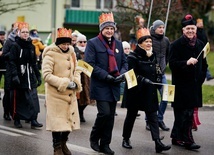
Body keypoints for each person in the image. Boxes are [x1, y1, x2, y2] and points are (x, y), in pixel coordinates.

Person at [121, 27, 171, 153]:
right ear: (140, 43)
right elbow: (131, 75)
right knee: (131, 116)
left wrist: (159, 77)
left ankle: (158, 142)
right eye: (146, 41)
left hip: (149, 91)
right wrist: (144, 80)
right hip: (135, 92)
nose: (149, 44)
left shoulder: (152, 55)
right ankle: (125, 139)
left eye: (150, 41)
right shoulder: (133, 56)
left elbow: (157, 68)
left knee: (153, 117)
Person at [84, 12, 128, 155]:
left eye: (111, 28)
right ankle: (94, 137)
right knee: (104, 113)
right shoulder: (92, 43)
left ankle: (105, 144)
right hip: (101, 84)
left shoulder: (119, 44)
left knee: (110, 117)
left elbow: (124, 62)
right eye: (106, 28)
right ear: (101, 29)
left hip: (114, 84)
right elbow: (90, 64)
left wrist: (121, 74)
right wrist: (107, 76)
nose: (109, 31)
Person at [169, 14, 208, 150]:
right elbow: (172, 64)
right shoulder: (176, 45)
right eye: (188, 29)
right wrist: (186, 62)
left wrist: (201, 78)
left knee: (188, 113)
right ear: (183, 30)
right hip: (181, 85)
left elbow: (205, 65)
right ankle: (187, 140)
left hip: (194, 85)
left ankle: (177, 136)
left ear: (196, 29)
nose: (190, 31)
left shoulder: (200, 44)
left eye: (192, 28)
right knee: (182, 113)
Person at [42, 27, 82, 155]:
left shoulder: (72, 53)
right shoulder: (50, 54)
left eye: (67, 43)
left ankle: (64, 143)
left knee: (68, 123)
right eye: (63, 44)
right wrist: (64, 83)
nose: (65, 46)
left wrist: (75, 82)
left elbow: (76, 70)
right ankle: (57, 147)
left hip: (70, 94)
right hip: (56, 94)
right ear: (58, 43)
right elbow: (47, 75)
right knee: (57, 123)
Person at [9, 22, 43, 129]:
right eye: (23, 32)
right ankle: (17, 119)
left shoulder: (31, 46)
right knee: (19, 99)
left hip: (30, 75)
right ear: (18, 33)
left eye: (27, 32)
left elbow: (33, 63)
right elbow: (12, 62)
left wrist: (38, 75)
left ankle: (33, 119)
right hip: (19, 76)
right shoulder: (15, 46)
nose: (25, 34)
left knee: (33, 98)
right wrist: (15, 75)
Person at [146, 20, 170, 131]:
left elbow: (168, 55)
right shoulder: (149, 39)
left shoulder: (166, 40)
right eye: (159, 27)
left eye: (163, 27)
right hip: (151, 74)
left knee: (166, 96)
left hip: (162, 74)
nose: (161, 29)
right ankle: (149, 121)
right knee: (150, 99)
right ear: (154, 28)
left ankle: (159, 119)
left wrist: (164, 66)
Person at [2, 23, 19, 121]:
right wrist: (12, 53)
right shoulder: (9, 41)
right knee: (8, 92)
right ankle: (6, 112)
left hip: (19, 70)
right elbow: (4, 55)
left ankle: (17, 113)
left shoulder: (23, 42)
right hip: (9, 69)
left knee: (18, 93)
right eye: (17, 31)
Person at [75, 33, 91, 122]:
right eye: (80, 42)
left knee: (87, 97)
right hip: (78, 77)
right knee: (78, 97)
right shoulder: (74, 51)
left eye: (84, 42)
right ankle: (78, 113)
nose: (82, 43)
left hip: (88, 77)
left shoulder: (89, 52)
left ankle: (81, 111)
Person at [0, 30, 6, 100]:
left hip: (5, 65)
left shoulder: (6, 42)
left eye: (3, 35)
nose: (2, 36)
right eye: (1, 35)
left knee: (7, 82)